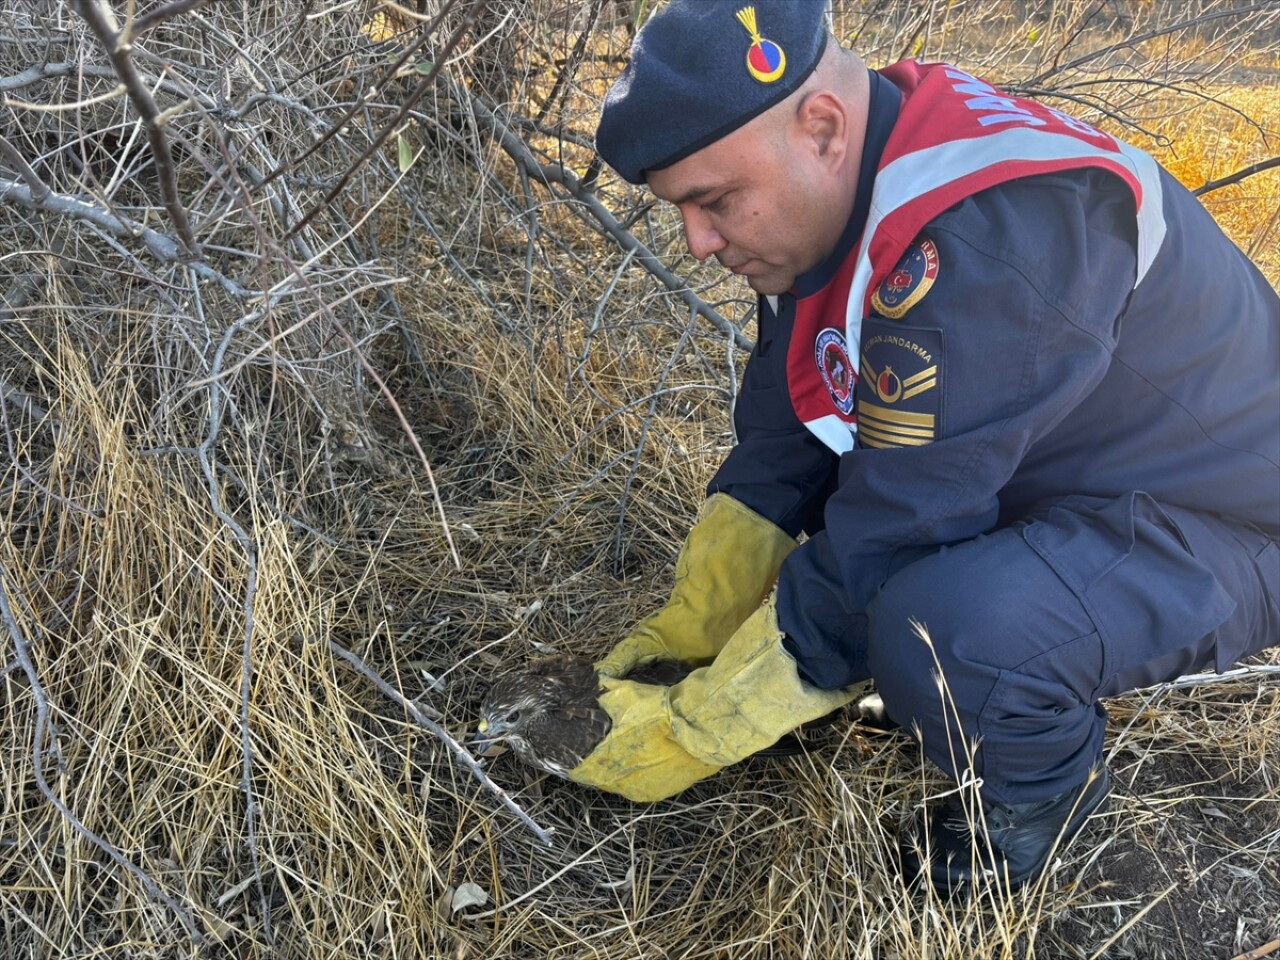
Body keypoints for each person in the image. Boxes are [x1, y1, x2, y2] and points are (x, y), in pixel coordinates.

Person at [564, 0, 1280, 893]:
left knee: (940, 632)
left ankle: (1036, 805)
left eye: (713, 203)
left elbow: (902, 520)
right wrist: (705, 612)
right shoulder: (848, 182)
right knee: (880, 588)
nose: (698, 243)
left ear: (820, 125)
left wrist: (711, 718)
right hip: (1076, 465)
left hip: (1231, 523)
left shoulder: (988, 235)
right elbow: (796, 416)